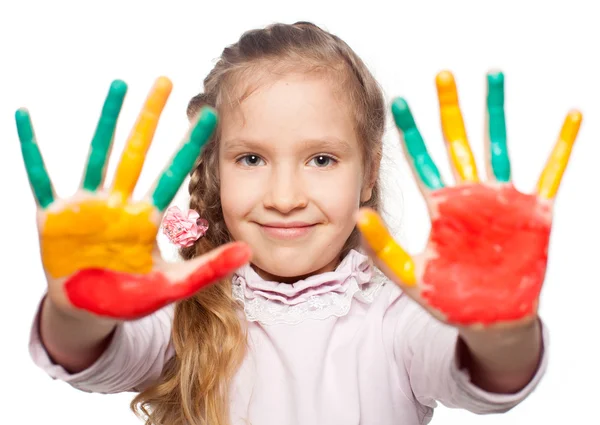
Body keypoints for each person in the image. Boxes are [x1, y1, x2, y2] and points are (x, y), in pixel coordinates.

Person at [21, 21, 581, 425]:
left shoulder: (395, 318)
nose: (285, 197)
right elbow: (89, 356)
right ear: (214, 169)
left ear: (368, 174)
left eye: (321, 160)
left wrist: (503, 332)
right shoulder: (178, 313)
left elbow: (492, 379)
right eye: (251, 159)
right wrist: (76, 315)